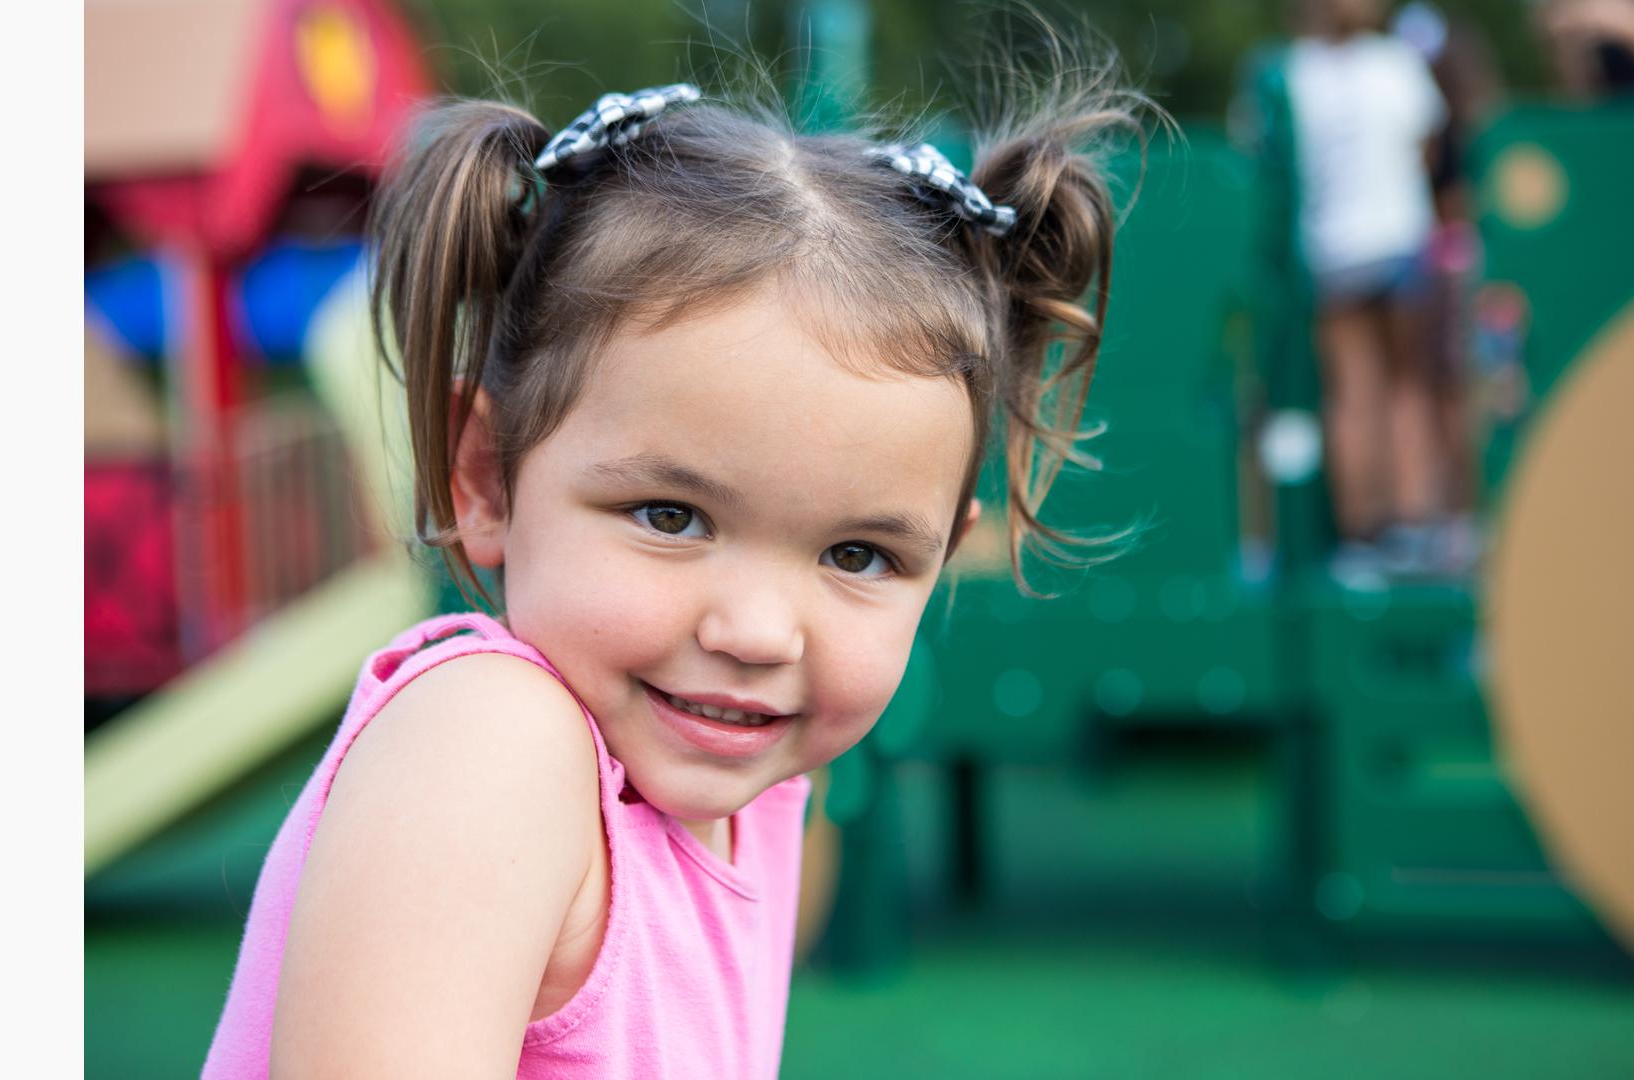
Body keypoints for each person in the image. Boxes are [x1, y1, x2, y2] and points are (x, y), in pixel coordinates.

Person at [200, 48, 1149, 1079]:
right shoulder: (488, 745)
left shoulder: (758, 794)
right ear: (485, 477)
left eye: (858, 554)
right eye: (670, 514)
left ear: (943, 557)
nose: (757, 631)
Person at [1283, 0, 1453, 582]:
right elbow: (1427, 147)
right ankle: (1416, 523)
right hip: (1400, 243)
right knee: (1409, 383)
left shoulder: (1287, 71)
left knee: (1352, 391)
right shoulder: (1398, 63)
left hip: (1330, 252)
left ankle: (1362, 535)